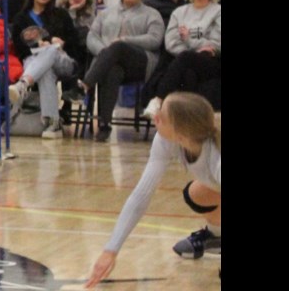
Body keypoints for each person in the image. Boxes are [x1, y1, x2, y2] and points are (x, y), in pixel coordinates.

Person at [85, 92, 221, 288]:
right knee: (196, 194)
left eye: (162, 117)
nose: (155, 115)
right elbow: (141, 196)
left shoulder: (216, 159)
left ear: (181, 134)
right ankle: (216, 235)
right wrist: (111, 250)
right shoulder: (166, 140)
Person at [80, 0, 164, 142]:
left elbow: (155, 39)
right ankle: (104, 125)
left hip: (140, 62)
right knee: (112, 70)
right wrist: (106, 52)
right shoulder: (105, 13)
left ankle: (86, 83)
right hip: (108, 64)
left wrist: (126, 41)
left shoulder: (152, 14)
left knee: (118, 46)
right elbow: (92, 36)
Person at [8, 0, 81, 139]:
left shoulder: (61, 14)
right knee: (46, 72)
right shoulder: (21, 18)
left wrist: (60, 43)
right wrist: (36, 46)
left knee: (52, 50)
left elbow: (75, 43)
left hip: (62, 60)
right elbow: (20, 50)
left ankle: (23, 84)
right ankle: (53, 123)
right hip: (33, 60)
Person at [143, 0, 221, 117]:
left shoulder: (218, 11)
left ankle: (158, 100)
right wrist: (198, 44)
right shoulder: (179, 12)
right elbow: (171, 42)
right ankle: (187, 121)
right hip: (184, 59)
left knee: (187, 58)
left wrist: (189, 38)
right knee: (188, 71)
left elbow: (216, 43)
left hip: (212, 61)